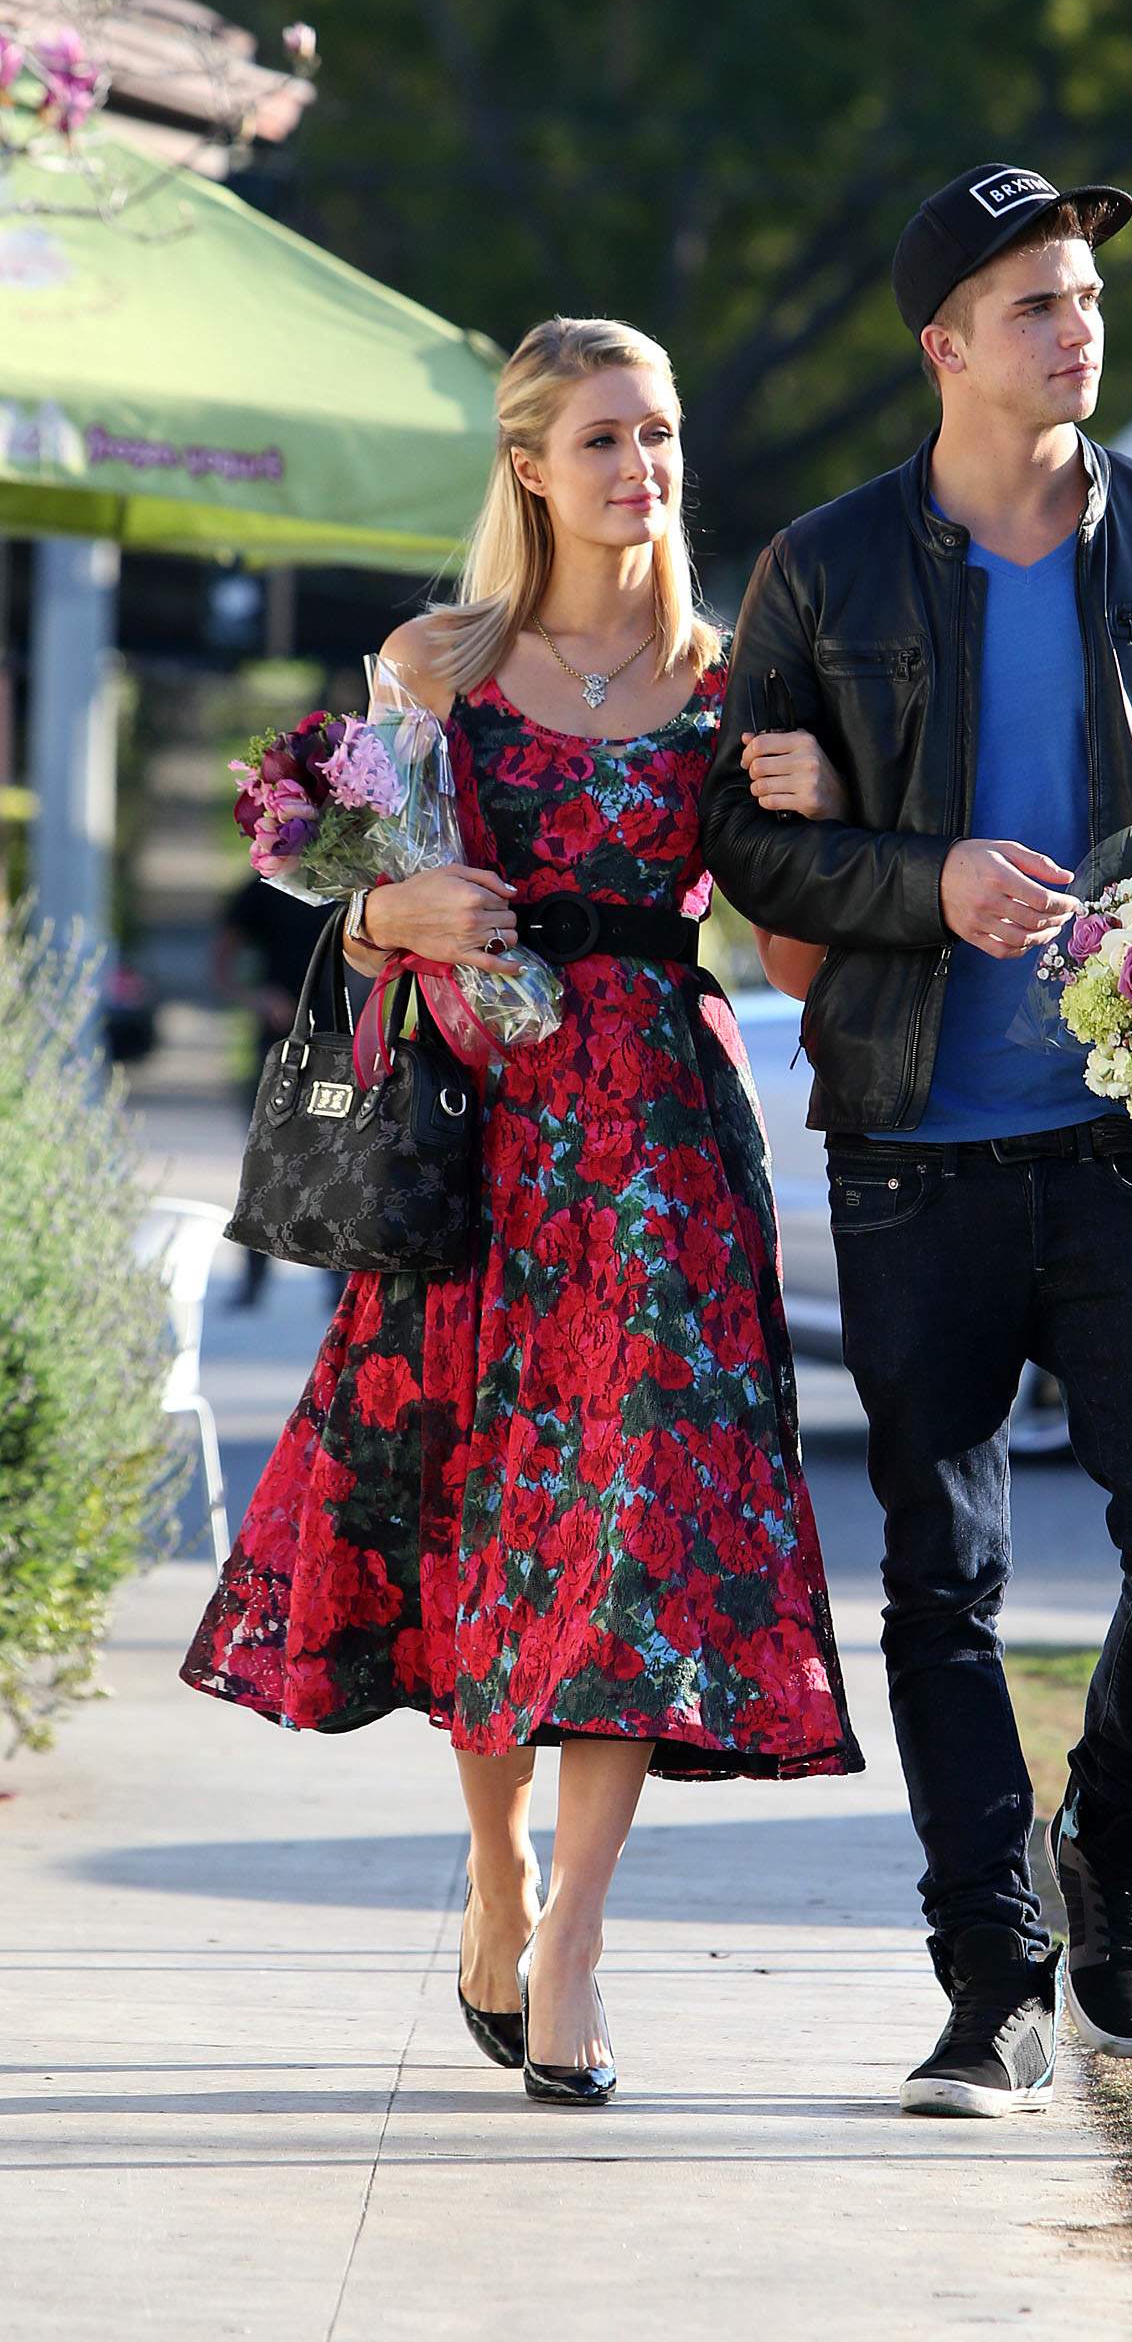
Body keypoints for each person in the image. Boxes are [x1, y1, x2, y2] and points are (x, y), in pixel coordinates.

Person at [182, 315, 862, 2106]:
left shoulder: (734, 679)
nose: (642, 469)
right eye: (605, 439)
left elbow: (796, 957)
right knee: (487, 1522)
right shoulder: (436, 667)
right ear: (530, 466)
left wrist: (822, 810)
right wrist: (381, 916)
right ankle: (498, 1871)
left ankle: (575, 1941)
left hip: (667, 1166)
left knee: (636, 1537)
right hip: (480, 1153)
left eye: (662, 435)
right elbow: (361, 905)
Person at [702, 162, 1132, 2115]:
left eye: (1087, 297)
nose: (1078, 327)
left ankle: (1114, 1839)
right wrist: (921, 879)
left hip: (1127, 1140)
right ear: (944, 345)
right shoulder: (825, 568)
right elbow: (739, 841)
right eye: (1037, 303)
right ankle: (991, 1982)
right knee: (939, 1583)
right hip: (910, 1150)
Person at [212, 874, 351, 1311]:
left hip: (340, 1042)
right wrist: (257, 998)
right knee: (266, 1164)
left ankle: (339, 1286)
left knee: (335, 1163)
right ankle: (254, 1280)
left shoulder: (348, 881)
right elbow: (222, 963)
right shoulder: (265, 886)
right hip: (278, 1046)